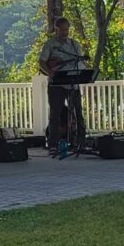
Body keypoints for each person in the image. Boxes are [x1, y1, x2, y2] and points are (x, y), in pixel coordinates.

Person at [38, 17, 87, 155]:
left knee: (78, 113)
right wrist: (50, 73)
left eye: (66, 29)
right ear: (56, 29)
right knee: (55, 114)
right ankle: (53, 145)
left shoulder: (74, 44)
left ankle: (80, 143)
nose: (65, 32)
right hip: (56, 84)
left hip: (73, 83)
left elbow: (79, 61)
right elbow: (42, 62)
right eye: (62, 30)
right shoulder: (50, 44)